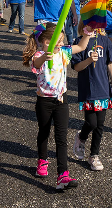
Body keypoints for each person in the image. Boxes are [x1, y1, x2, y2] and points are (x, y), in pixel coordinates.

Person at [23, 22, 92, 190]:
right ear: (45, 42)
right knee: (44, 132)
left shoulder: (64, 52)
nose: (61, 43)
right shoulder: (39, 55)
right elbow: (37, 64)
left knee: (61, 138)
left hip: (61, 100)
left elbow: (82, 46)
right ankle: (42, 161)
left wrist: (87, 33)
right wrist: (45, 55)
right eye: (58, 41)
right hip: (44, 102)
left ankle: (63, 175)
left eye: (62, 40)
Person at [71, 28, 112, 171]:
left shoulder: (105, 41)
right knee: (91, 123)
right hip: (88, 90)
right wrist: (89, 60)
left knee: (100, 125)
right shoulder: (80, 42)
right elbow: (77, 67)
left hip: (103, 89)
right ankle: (81, 136)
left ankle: (94, 155)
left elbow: (110, 64)